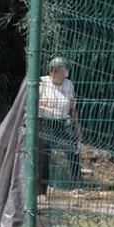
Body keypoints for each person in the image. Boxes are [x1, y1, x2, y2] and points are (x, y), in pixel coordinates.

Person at [38, 56, 82, 193]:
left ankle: (78, 186)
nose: (54, 73)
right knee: (43, 157)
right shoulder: (41, 83)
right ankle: (41, 191)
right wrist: (43, 103)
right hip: (43, 124)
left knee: (72, 150)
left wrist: (77, 128)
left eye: (62, 71)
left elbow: (72, 108)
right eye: (53, 70)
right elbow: (29, 104)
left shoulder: (68, 85)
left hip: (60, 124)